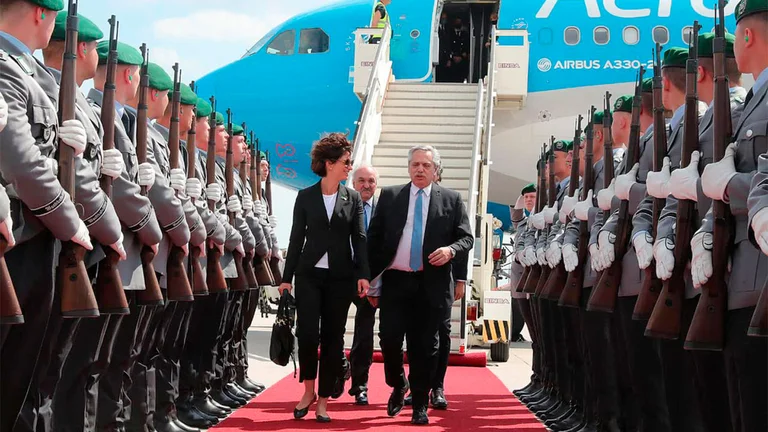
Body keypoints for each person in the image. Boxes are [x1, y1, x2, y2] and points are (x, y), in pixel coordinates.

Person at [0, 1, 97, 429]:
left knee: (30, 373)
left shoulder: (32, 73)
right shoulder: (7, 67)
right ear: (41, 13)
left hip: (39, 238)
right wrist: (73, 222)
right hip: (19, 240)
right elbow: (24, 164)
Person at [694, 1, 768, 430]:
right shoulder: (754, 100)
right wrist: (705, 228)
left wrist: (728, 185)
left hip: (759, 279)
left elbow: (752, 179)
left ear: (747, 36)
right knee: (742, 403)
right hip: (739, 276)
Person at [366, 145, 473, 425]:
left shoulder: (451, 199)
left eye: (426, 165)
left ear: (435, 169)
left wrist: (450, 250)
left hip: (430, 283)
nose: (420, 170)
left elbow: (466, 238)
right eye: (415, 164)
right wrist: (369, 279)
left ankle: (420, 405)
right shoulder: (390, 196)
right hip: (396, 280)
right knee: (389, 339)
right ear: (408, 168)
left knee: (425, 346)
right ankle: (398, 383)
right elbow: (373, 239)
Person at [279, 133, 370, 422]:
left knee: (333, 338)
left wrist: (363, 274)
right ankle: (308, 390)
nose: (349, 167)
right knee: (307, 334)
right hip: (309, 275)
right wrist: (286, 277)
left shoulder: (352, 198)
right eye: (346, 162)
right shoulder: (305, 197)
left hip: (340, 278)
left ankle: (324, 401)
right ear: (330, 163)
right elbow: (296, 239)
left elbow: (359, 238)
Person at [347, 164, 379, 406]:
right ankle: (338, 372)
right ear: (353, 182)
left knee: (364, 335)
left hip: (374, 281)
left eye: (371, 181)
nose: (366, 185)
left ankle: (360, 385)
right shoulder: (342, 205)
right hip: (343, 277)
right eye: (361, 181)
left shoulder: (385, 210)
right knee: (332, 332)